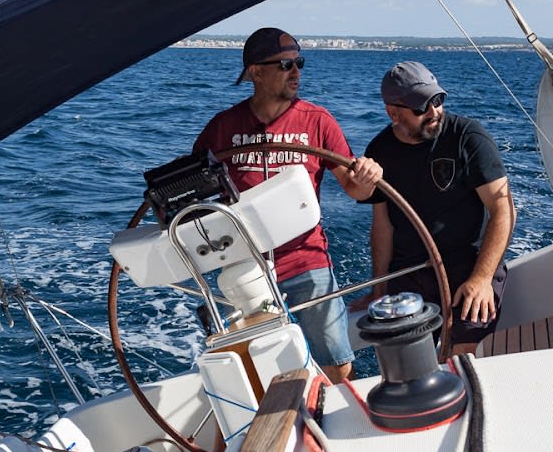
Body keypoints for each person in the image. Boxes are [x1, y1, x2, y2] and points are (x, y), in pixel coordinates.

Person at [193, 27, 381, 382]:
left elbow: (355, 189)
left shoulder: (318, 121)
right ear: (255, 72)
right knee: (257, 370)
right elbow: (193, 192)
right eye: (285, 65)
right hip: (244, 267)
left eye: (299, 63)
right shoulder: (222, 128)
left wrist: (368, 176)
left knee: (337, 364)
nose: (296, 72)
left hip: (306, 260)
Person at [361, 61, 515, 356]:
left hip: (470, 265)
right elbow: (382, 225)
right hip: (410, 271)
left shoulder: (467, 137)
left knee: (464, 355)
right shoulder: (380, 151)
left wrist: (482, 279)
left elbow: (503, 209)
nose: (434, 111)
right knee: (403, 360)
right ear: (394, 113)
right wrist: (379, 287)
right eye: (421, 107)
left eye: (437, 100)